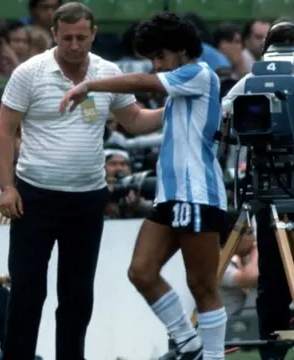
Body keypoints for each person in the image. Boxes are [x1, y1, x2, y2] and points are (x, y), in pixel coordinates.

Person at [0, 3, 164, 360]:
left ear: (94, 34)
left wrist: (177, 108)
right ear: (54, 34)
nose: (74, 45)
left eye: (81, 37)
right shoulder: (30, 72)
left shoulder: (108, 72)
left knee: (77, 293)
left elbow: (133, 120)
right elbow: (4, 133)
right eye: (67, 37)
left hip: (87, 198)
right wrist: (7, 186)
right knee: (27, 290)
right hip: (34, 195)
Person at [60, 12, 227, 360]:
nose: (156, 65)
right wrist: (107, 105)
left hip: (197, 194)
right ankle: (189, 343)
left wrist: (91, 85)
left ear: (181, 49)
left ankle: (212, 356)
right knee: (141, 271)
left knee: (202, 285)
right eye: (152, 58)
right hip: (171, 196)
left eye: (159, 56)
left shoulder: (199, 74)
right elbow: (138, 120)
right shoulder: (182, 89)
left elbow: (144, 84)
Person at [221, 19, 294, 360]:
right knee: (273, 274)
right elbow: (228, 117)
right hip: (272, 188)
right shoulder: (251, 82)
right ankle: (273, 348)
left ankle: (273, 351)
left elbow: (225, 116)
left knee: (273, 276)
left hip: (272, 190)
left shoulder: (251, 83)